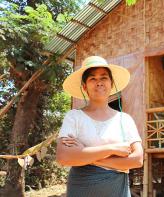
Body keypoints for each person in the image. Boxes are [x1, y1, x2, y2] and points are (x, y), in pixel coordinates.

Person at [56, 56, 143, 197]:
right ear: (84, 87)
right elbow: (63, 156)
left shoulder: (124, 120)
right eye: (92, 79)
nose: (99, 83)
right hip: (81, 189)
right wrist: (112, 149)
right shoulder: (74, 117)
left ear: (111, 83)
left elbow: (137, 160)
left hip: (118, 191)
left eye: (104, 78)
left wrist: (84, 153)